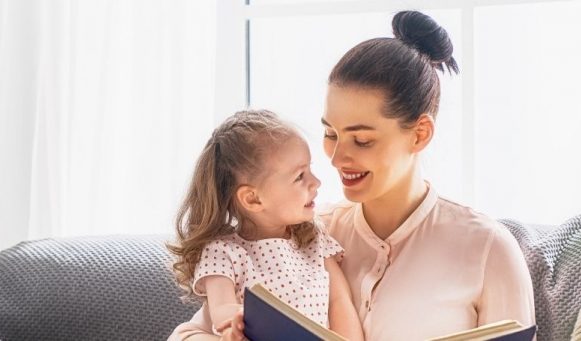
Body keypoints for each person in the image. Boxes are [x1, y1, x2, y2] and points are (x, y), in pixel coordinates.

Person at [171, 10, 535, 341]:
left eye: (361, 140)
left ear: (420, 134)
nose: (337, 157)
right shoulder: (303, 231)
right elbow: (189, 334)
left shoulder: (489, 249)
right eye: (331, 134)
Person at [167, 109, 365, 341]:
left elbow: (340, 301)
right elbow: (222, 310)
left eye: (310, 170)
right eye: (300, 176)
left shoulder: (315, 240)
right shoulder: (223, 252)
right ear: (253, 199)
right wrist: (235, 325)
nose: (316, 182)